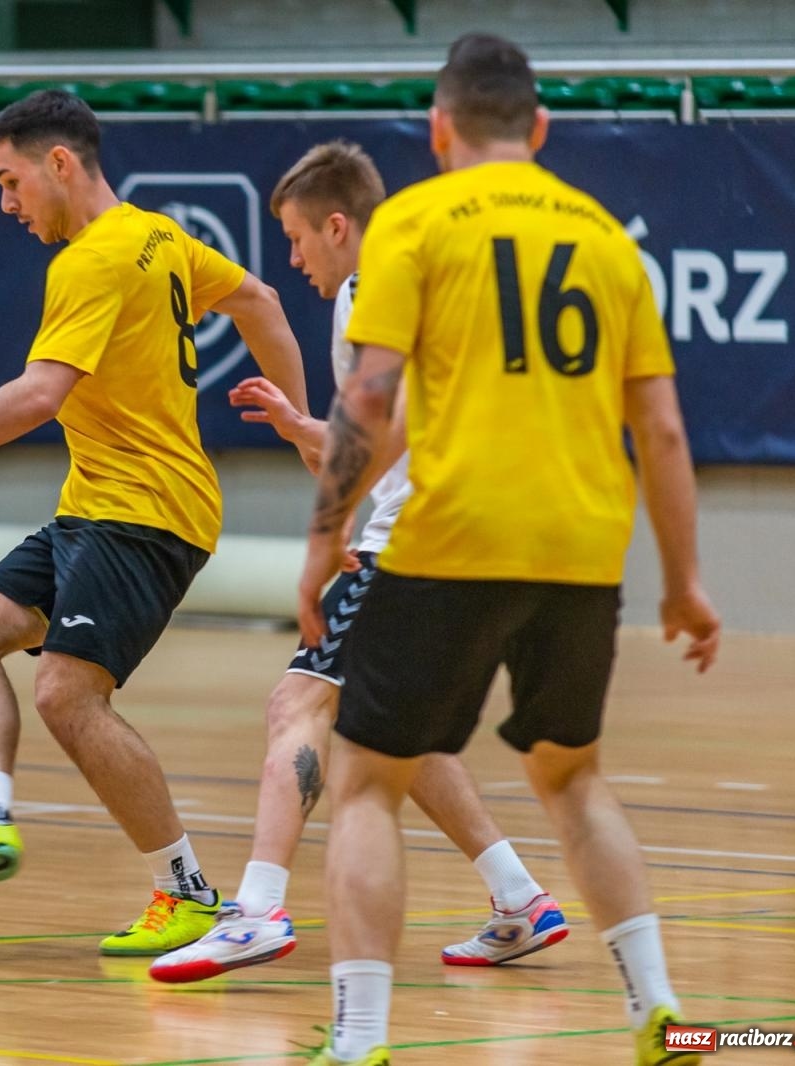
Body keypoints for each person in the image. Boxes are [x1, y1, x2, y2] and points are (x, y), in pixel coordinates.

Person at [295, 35, 721, 1066]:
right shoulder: (606, 238)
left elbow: (368, 396)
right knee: (571, 779)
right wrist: (681, 584)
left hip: (450, 535)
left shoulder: (414, 220)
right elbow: (659, 429)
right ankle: (657, 1008)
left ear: (439, 130)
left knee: (363, 781)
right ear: (537, 129)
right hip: (578, 548)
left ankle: (357, 1042)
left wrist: (322, 538)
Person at [0, 88, 313, 956]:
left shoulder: (91, 260)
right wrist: (298, 420)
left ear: (61, 163)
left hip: (147, 513)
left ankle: (187, 892)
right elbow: (265, 303)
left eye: (11, 182)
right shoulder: (159, 235)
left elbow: (38, 396)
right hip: (94, 506)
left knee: (66, 694)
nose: (7, 205)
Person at [150, 140, 567, 985]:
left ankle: (257, 910)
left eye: (299, 239)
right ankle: (518, 897)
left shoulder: (367, 293)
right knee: (385, 734)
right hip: (483, 538)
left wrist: (332, 519)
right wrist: (307, 430)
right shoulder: (423, 283)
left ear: (339, 226)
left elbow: (381, 438)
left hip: (415, 538)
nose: (294, 258)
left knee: (294, 704)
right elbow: (378, 442)